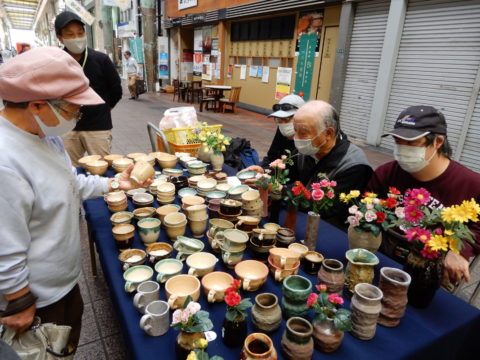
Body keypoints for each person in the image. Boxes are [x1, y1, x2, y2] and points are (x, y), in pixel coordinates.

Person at [0, 47, 148, 353]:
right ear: (38, 105)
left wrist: (112, 183)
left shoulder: (43, 136)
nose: (77, 116)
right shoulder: (6, 160)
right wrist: (19, 299)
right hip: (36, 300)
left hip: (61, 284)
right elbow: (5, 246)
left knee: (66, 346)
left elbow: (70, 182)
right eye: (72, 109)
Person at [368, 105, 480, 285]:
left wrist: (460, 251)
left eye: (412, 143)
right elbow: (366, 207)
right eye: (398, 141)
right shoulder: (386, 173)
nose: (402, 149)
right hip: (382, 259)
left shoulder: (471, 185)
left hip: (429, 272)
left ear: (438, 142)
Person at [246, 100, 373, 225]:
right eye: (295, 130)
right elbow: (288, 173)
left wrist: (280, 190)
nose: (296, 138)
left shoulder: (354, 165)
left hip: (329, 227)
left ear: (328, 133)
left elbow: (330, 209)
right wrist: (265, 172)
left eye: (303, 132)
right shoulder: (307, 149)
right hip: (299, 213)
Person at [55, 11, 122, 167]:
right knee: (70, 169)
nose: (76, 37)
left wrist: (105, 108)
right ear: (60, 38)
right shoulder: (56, 61)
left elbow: (116, 89)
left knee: (103, 168)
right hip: (67, 127)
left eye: (80, 33)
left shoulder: (101, 59)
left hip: (98, 127)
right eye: (70, 34)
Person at [259, 94, 305, 167]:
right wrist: (261, 169)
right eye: (279, 119)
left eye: (287, 119)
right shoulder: (281, 130)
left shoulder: (308, 140)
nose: (283, 123)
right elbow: (272, 156)